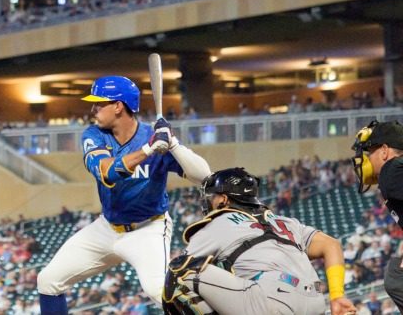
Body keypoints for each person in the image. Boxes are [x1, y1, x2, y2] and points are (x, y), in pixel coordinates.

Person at [36, 75, 212, 313]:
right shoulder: (95, 134)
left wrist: (173, 144)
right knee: (48, 281)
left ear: (118, 106)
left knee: (159, 291)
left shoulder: (156, 136)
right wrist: (148, 150)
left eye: (99, 103)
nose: (93, 108)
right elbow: (106, 172)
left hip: (147, 229)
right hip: (106, 228)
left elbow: (203, 175)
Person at [164, 167, 354, 315]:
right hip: (316, 303)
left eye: (212, 197)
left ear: (223, 199)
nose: (209, 201)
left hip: (271, 301)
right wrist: (337, 296)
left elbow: (184, 266)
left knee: (178, 272)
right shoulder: (285, 221)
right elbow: (332, 245)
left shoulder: (219, 222)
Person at [352, 120, 403, 309]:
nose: (366, 159)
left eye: (369, 152)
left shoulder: (391, 170)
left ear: (384, 151)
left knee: (395, 277)